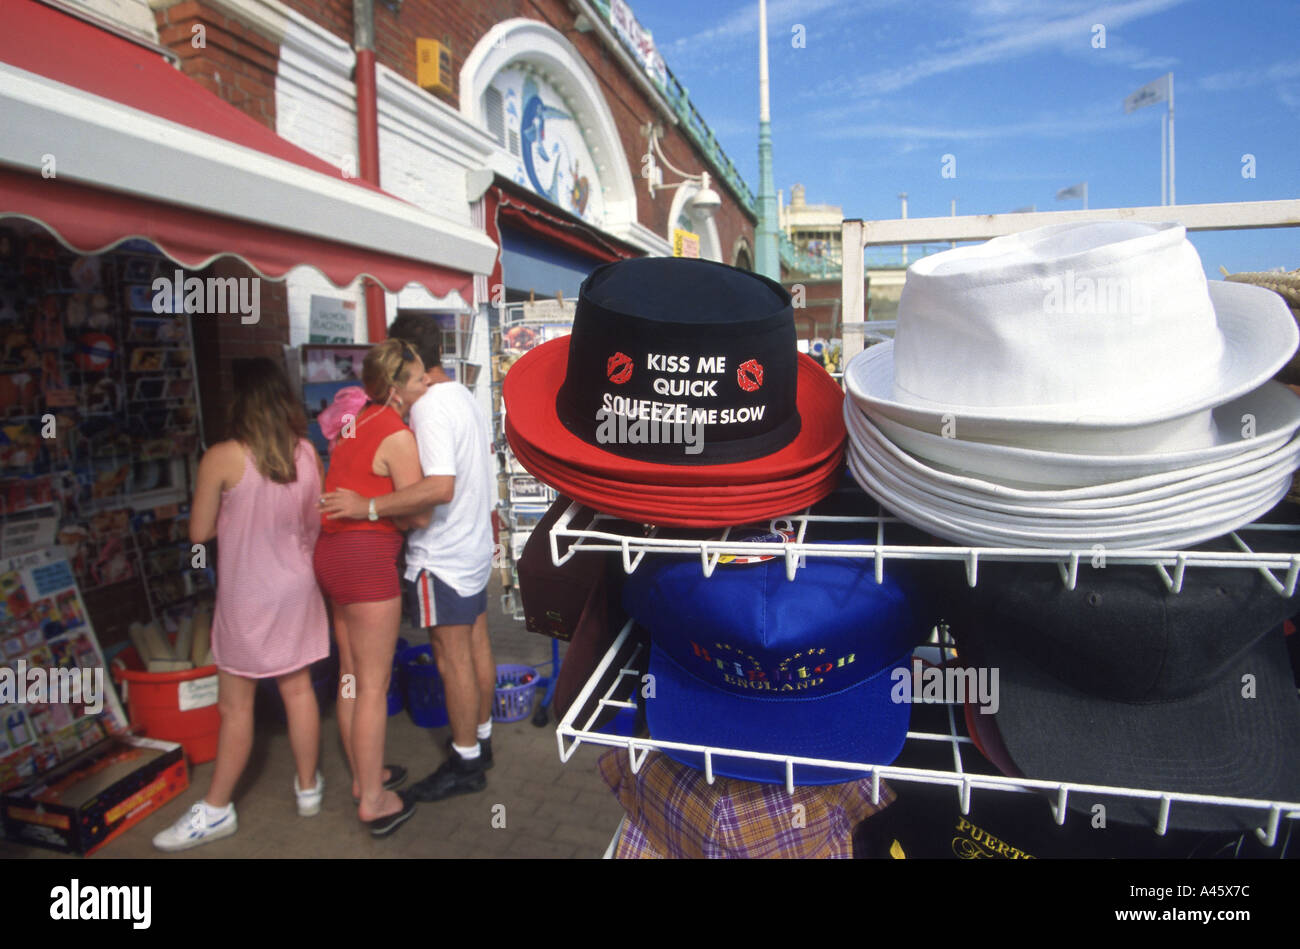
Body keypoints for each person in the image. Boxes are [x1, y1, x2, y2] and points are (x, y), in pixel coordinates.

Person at [153, 358, 330, 852]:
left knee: (236, 707)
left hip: (248, 592)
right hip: (298, 586)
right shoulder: (306, 452)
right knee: (299, 691)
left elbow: (199, 532)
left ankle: (215, 809)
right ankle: (309, 789)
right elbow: (316, 525)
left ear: (240, 402)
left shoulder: (222, 457)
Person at [321, 314, 497, 803]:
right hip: (474, 544)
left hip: (442, 554)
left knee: (451, 657)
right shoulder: (461, 394)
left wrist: (369, 506)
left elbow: (438, 488)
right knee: (476, 645)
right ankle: (480, 742)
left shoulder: (426, 409)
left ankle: (465, 763)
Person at [313, 338, 430, 837]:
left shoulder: (351, 423)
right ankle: (374, 801)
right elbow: (420, 511)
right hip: (366, 561)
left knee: (350, 676)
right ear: (398, 389)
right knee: (374, 685)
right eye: (421, 378)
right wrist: (387, 510)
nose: (428, 384)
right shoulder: (397, 434)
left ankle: (366, 778)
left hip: (331, 557)